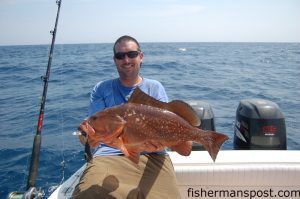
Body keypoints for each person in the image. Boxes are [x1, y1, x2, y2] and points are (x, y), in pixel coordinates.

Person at [72, 35, 181, 199]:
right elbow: (91, 135)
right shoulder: (101, 89)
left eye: (131, 54)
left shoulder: (155, 87)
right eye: (120, 56)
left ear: (141, 56)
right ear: (114, 60)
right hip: (109, 156)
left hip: (153, 158)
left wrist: (160, 143)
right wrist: (86, 137)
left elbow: (166, 127)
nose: (126, 60)